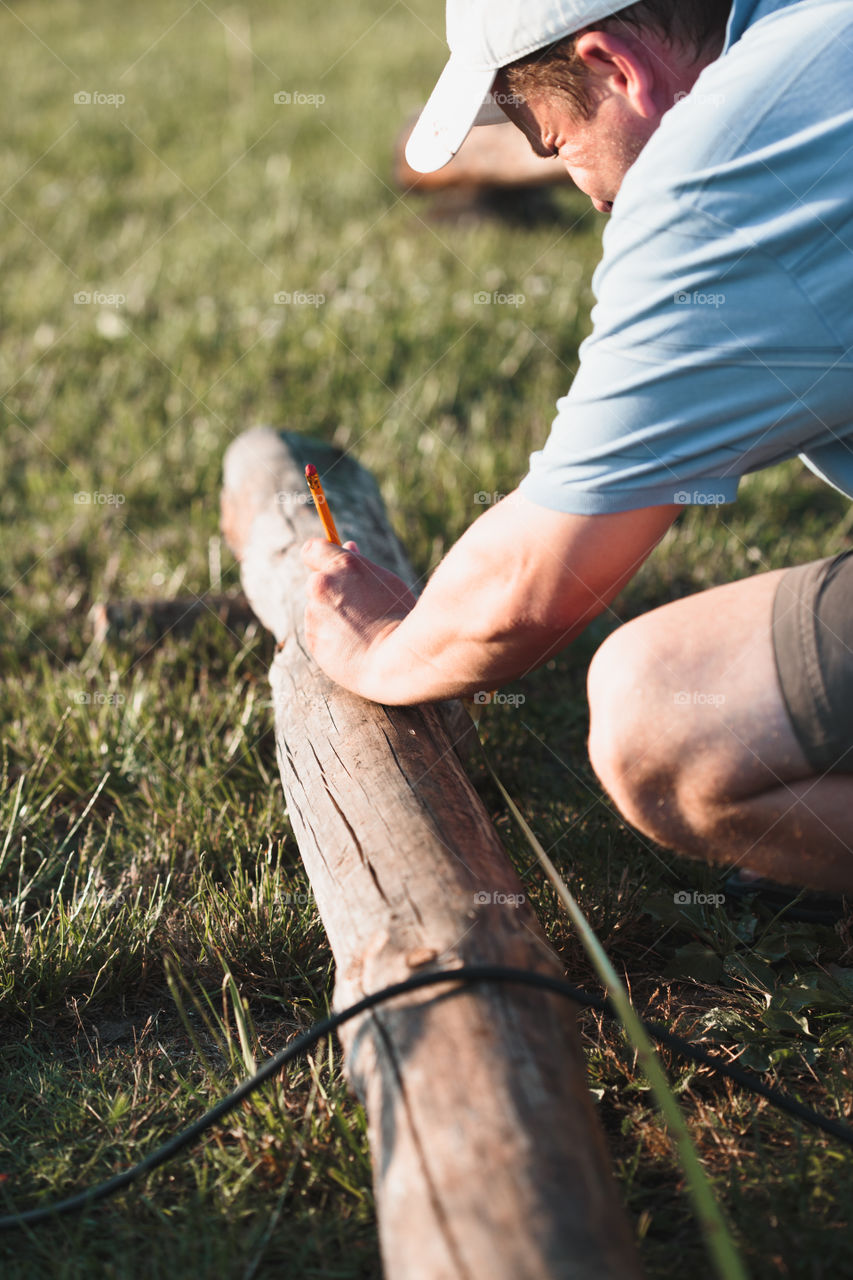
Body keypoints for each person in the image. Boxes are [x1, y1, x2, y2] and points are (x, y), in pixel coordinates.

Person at [302, 0, 853, 893]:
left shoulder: (717, 169)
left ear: (616, 66)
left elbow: (530, 587)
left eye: (552, 142)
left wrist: (373, 649)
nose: (588, 196)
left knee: (661, 708)